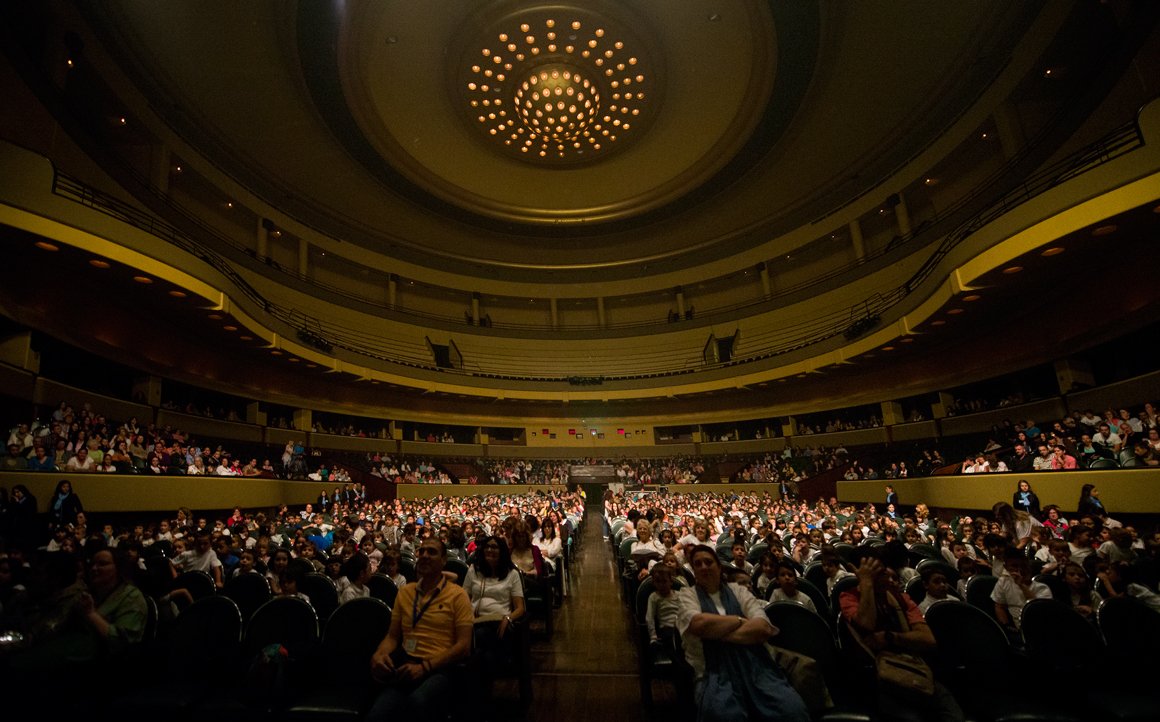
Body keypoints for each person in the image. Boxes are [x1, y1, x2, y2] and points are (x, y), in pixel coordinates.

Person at [677, 544, 810, 722]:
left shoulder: (738, 591)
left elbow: (762, 628)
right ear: (693, 570)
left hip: (756, 666)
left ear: (719, 567)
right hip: (714, 672)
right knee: (723, 714)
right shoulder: (687, 595)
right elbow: (698, 624)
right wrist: (739, 620)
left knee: (791, 710)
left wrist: (715, 633)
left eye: (708, 562)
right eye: (697, 564)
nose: (703, 567)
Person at [840, 549, 964, 722]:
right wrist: (866, 583)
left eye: (881, 571)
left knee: (952, 714)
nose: (882, 577)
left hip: (913, 667)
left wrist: (890, 637)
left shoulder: (901, 598)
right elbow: (866, 623)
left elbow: (928, 640)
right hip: (878, 676)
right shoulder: (848, 597)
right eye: (872, 572)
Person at [367, 537, 473, 720]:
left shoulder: (458, 595)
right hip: (407, 664)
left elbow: (464, 646)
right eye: (421, 551)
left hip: (440, 668)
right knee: (377, 713)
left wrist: (425, 667)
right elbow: (393, 636)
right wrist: (380, 654)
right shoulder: (405, 592)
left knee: (416, 704)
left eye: (431, 552)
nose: (424, 555)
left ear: (443, 561)